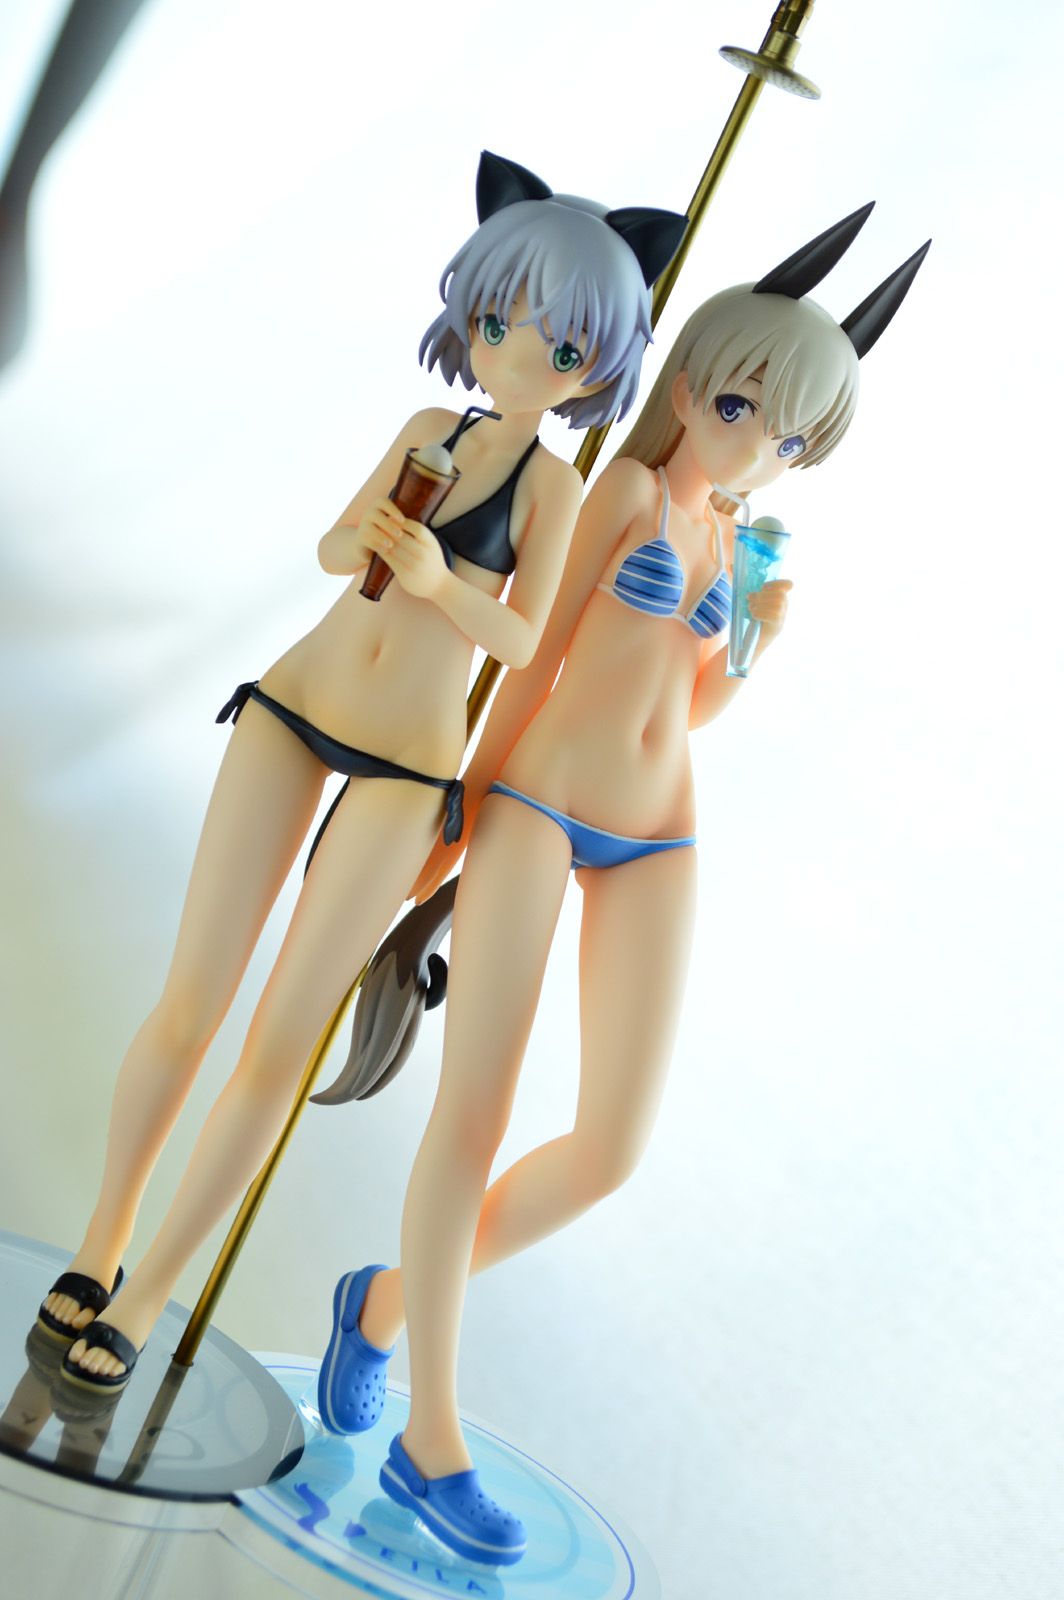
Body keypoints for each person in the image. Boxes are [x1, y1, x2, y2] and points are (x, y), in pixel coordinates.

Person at [316, 205, 930, 1567]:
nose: (754, 450)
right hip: (536, 803)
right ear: (692, 380)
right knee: (473, 1116)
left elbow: (685, 709)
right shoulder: (626, 499)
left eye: (790, 441)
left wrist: (747, 644)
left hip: (660, 830)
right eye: (740, 410)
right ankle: (431, 1439)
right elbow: (528, 665)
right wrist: (458, 817)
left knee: (609, 1151)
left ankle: (384, 1305)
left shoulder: (727, 535)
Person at [38, 149, 686, 1391]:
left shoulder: (554, 487)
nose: (519, 356)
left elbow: (521, 641)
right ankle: (101, 1241)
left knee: (276, 1046)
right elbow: (335, 548)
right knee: (187, 1004)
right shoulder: (426, 430)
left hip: (409, 763)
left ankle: (152, 1292)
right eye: (498, 324)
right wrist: (374, 538)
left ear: (593, 364)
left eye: (560, 347)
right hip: (298, 701)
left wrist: (441, 579)